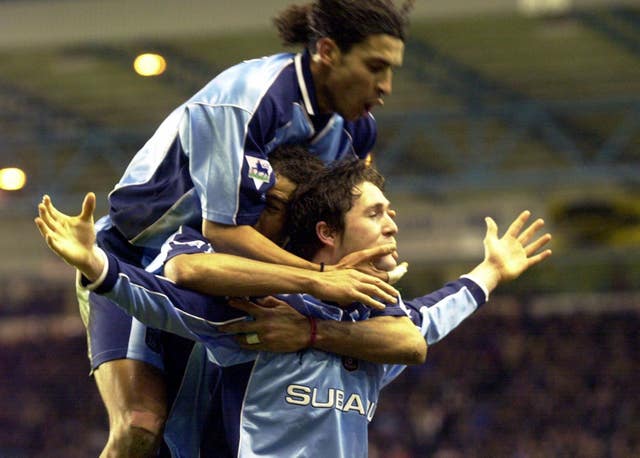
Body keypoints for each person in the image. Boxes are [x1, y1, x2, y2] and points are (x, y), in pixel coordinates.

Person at [37, 159, 552, 457]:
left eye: (390, 213)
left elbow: (424, 325)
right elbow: (169, 299)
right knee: (135, 429)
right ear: (326, 232)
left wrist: (491, 272)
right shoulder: (262, 312)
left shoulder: (371, 327)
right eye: (376, 214)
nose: (393, 225)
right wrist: (98, 266)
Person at [80, 1, 416, 454]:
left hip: (238, 276)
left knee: (199, 442)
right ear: (328, 52)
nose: (386, 86)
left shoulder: (356, 131)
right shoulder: (242, 100)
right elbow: (223, 233)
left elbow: (340, 217)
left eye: (391, 70)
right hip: (136, 258)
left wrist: (367, 264)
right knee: (140, 426)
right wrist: (320, 279)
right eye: (376, 67)